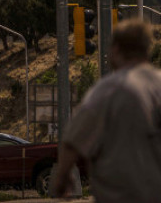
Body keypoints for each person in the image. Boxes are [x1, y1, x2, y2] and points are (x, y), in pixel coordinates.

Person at [50, 18, 161, 201]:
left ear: (116, 50)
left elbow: (72, 141)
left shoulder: (110, 89)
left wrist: (62, 177)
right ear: (146, 49)